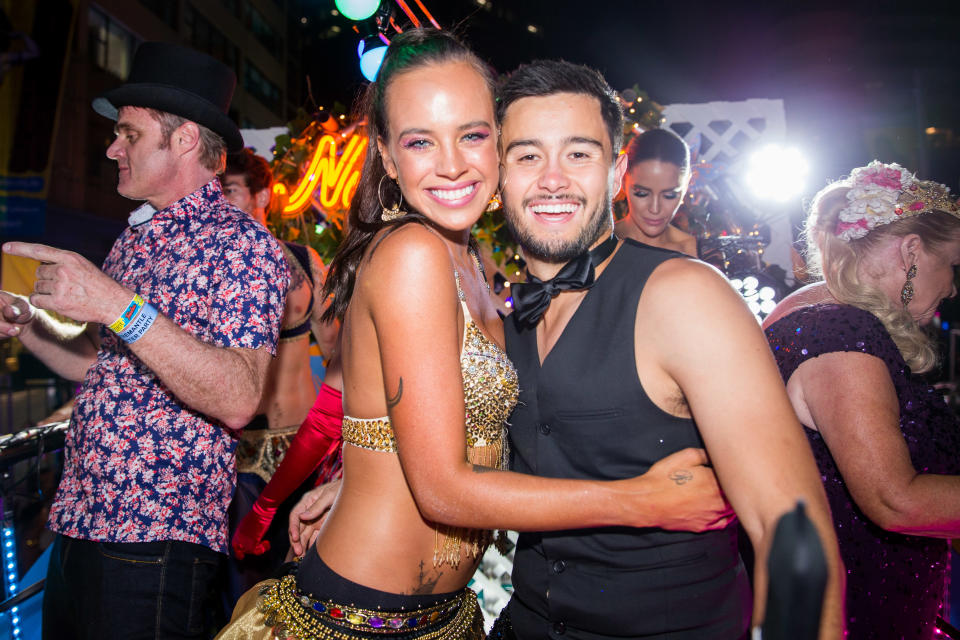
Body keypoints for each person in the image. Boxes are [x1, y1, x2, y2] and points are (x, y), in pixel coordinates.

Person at [218, 29, 735, 640]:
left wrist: (362, 478)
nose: (453, 165)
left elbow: (440, 436)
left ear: (500, 140)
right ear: (386, 154)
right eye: (419, 141)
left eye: (471, 134)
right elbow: (441, 491)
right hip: (361, 620)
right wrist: (642, 500)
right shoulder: (412, 252)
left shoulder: (474, 265)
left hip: (447, 616)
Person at [489, 59, 843, 639]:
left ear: (616, 171)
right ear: (500, 176)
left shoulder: (685, 294)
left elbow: (790, 527)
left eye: (578, 153)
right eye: (528, 155)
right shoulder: (514, 316)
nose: (552, 178)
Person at [0, 42, 288, 638]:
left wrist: (112, 302)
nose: (111, 147)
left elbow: (239, 397)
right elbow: (95, 367)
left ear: (183, 140)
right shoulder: (137, 238)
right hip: (80, 519)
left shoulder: (243, 245)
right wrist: (25, 323)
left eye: (129, 134)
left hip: (153, 543)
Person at [763, 160, 960, 640]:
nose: (953, 287)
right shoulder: (840, 333)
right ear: (911, 251)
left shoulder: (816, 303)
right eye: (952, 265)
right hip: (859, 610)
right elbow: (896, 499)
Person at [220, 149, 343, 604]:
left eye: (230, 190)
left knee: (299, 589)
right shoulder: (210, 271)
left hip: (301, 453)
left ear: (262, 196)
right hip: (233, 457)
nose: (220, 201)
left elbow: (340, 357)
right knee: (236, 593)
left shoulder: (303, 263)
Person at [613, 128, 697, 256]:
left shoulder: (695, 252)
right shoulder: (593, 244)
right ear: (623, 180)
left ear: (686, 186)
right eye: (642, 193)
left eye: (669, 196)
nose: (655, 209)